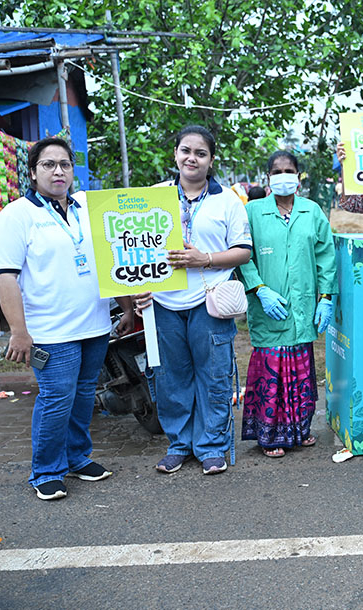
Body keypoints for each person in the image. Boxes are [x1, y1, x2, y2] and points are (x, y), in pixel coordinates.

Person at [0, 136, 125, 500]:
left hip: (94, 325)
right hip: (50, 332)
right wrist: (18, 331)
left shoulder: (86, 207)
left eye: (64, 164)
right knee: (56, 397)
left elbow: (113, 260)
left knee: (83, 396)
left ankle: (78, 458)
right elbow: (6, 278)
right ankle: (46, 470)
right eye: (48, 164)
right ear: (32, 172)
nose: (58, 171)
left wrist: (126, 307)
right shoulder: (16, 216)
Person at [137, 125, 252, 476]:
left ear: (211, 160)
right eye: (186, 150)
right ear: (175, 154)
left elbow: (244, 252)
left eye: (201, 153)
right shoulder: (153, 197)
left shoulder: (227, 200)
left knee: (214, 375)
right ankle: (179, 445)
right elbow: (131, 249)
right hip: (163, 304)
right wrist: (138, 287)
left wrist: (207, 259)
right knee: (171, 378)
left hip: (209, 301)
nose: (192, 158)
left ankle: (211, 446)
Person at [238, 151, 336, 457]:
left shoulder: (312, 211)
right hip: (267, 306)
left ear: (298, 176)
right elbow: (243, 255)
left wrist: (326, 298)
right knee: (273, 372)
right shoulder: (252, 211)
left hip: (304, 304)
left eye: (289, 170)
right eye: (277, 170)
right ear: (268, 177)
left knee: (301, 368)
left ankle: (300, 429)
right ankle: (270, 436)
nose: (284, 175)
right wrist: (259, 289)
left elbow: (326, 257)